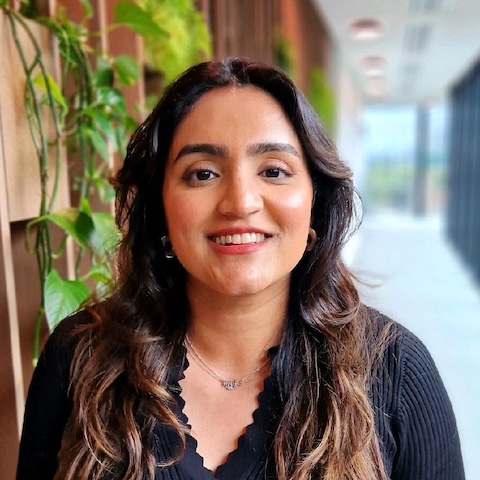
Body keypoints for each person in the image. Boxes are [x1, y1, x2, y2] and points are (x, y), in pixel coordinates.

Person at [16, 57, 464, 480]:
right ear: (161, 210)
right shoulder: (81, 358)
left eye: (273, 170)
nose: (241, 203)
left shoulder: (395, 372)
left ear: (315, 203)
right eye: (203, 173)